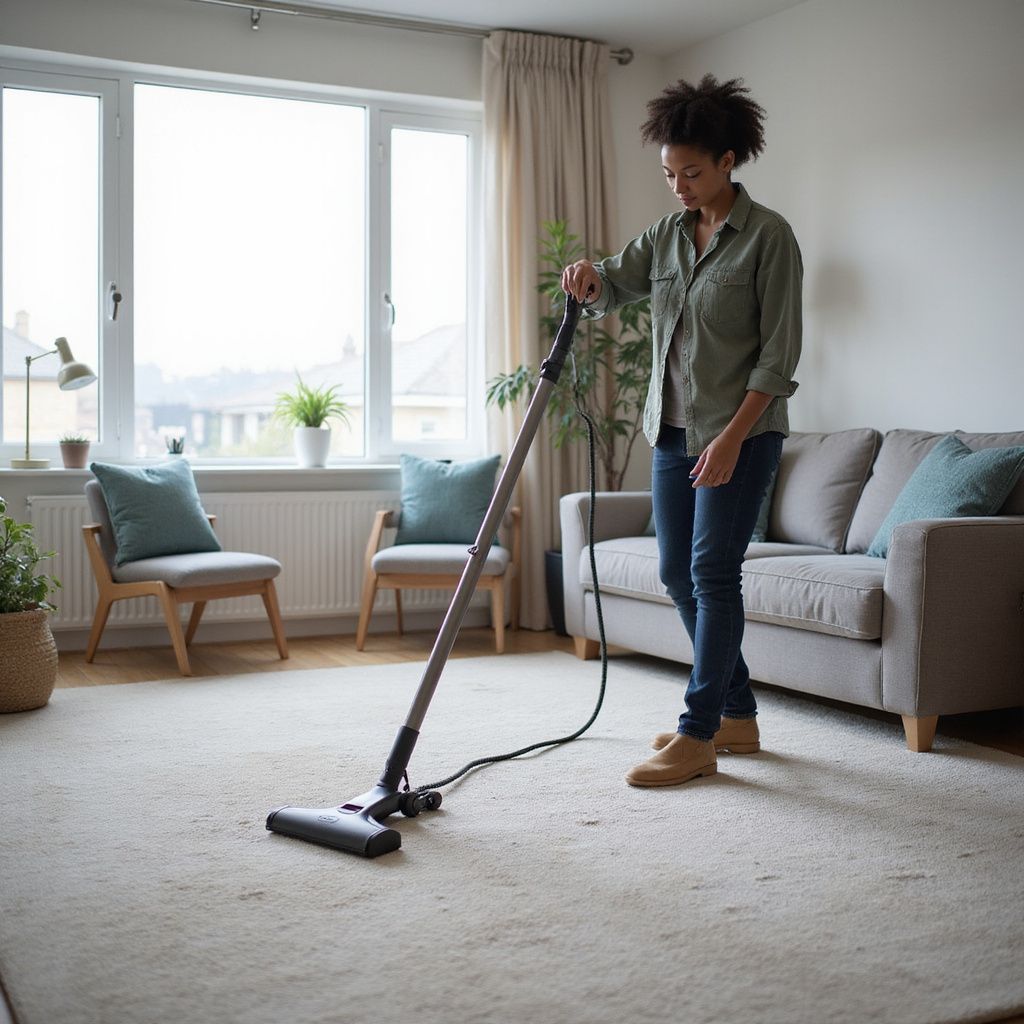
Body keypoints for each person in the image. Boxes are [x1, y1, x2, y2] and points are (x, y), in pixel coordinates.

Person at [561, 74, 802, 788]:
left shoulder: (769, 238)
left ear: (730, 160)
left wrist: (730, 438)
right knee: (676, 572)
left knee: (712, 573)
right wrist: (586, 276)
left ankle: (698, 734)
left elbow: (779, 356)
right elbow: (612, 282)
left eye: (691, 172)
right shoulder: (666, 237)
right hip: (668, 434)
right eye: (669, 173)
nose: (679, 187)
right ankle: (738, 715)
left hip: (742, 437)